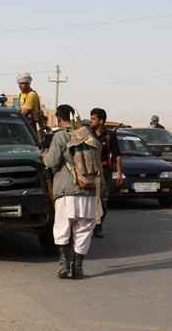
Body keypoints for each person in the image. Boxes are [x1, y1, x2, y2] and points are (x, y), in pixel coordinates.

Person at [43, 104, 103, 279]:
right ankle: (78, 267)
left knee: (63, 227)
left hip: (66, 191)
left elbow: (52, 162)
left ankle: (64, 265)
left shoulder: (60, 136)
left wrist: (44, 155)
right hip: (88, 190)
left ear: (59, 118)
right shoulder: (89, 135)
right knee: (83, 229)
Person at [89, 107, 123, 239]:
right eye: (91, 118)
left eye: (93, 118)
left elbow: (117, 155)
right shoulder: (87, 133)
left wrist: (119, 173)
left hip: (104, 171)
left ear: (101, 121)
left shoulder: (110, 135)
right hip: (89, 172)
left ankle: (98, 226)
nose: (91, 121)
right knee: (89, 199)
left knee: (102, 200)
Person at [16, 72, 46, 136]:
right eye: (19, 83)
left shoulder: (31, 95)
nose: (20, 86)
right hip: (25, 125)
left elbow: (24, 112)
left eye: (23, 83)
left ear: (28, 84)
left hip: (30, 126)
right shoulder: (21, 94)